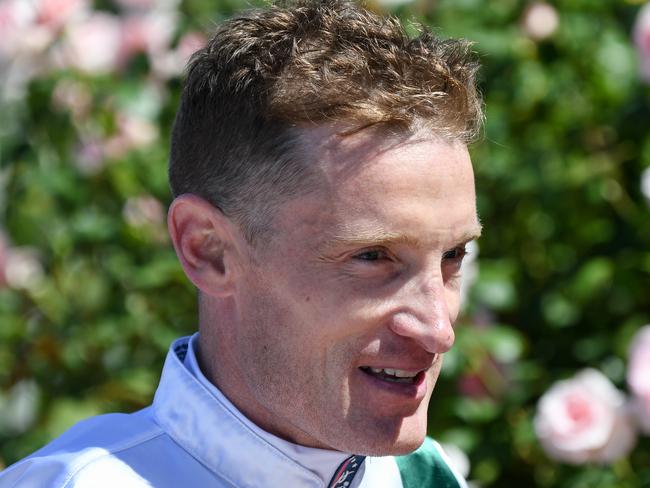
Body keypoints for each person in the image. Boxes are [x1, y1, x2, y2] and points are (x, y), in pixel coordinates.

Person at [0, 0, 483, 486]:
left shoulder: (427, 478)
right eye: (373, 257)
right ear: (208, 249)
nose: (438, 330)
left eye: (452, 256)